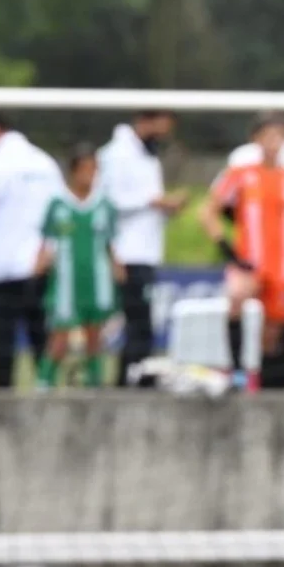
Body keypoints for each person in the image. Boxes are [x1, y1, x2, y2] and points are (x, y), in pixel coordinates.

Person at [201, 115, 284, 390]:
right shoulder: (241, 174)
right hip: (249, 262)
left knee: (272, 335)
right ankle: (235, 371)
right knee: (235, 301)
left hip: (283, 266)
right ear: (256, 139)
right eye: (268, 136)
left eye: (279, 136)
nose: (274, 142)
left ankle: (265, 387)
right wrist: (227, 249)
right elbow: (208, 211)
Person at [0, 110, 65, 391]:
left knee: (2, 346)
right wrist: (49, 251)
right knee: (40, 341)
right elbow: (61, 213)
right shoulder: (44, 162)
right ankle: (48, 399)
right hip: (40, 263)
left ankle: (4, 403)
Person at [96, 110, 186, 388]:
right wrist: (155, 202)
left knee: (141, 324)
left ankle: (133, 379)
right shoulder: (115, 155)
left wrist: (165, 207)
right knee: (135, 323)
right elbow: (107, 201)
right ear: (145, 122)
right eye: (161, 129)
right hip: (126, 253)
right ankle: (129, 382)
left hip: (145, 251)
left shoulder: (147, 155)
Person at [33, 147, 123, 390]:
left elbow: (110, 242)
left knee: (94, 335)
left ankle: (94, 384)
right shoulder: (58, 204)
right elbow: (46, 241)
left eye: (94, 170)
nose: (90, 176)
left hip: (96, 279)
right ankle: (44, 383)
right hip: (65, 282)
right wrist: (39, 263)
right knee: (59, 337)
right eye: (85, 170)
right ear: (73, 172)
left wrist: (117, 266)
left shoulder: (104, 205)